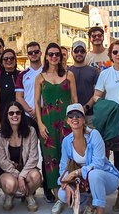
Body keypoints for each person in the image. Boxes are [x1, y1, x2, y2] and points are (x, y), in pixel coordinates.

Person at [34, 42, 78, 213]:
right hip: (48, 121)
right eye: (51, 54)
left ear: (61, 57)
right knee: (50, 159)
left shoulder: (69, 75)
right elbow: (37, 103)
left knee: (68, 158)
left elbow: (74, 99)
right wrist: (39, 123)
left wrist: (76, 122)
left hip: (67, 121)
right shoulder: (40, 77)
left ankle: (71, 191)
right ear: (46, 56)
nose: (54, 57)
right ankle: (58, 196)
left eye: (57, 54)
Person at [91, 39, 119, 211]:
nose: (118, 55)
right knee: (106, 155)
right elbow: (96, 96)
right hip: (111, 120)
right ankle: (101, 190)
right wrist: (111, 108)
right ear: (110, 55)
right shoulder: (105, 74)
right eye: (114, 52)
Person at [57, 104, 119, 214]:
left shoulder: (94, 135)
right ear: (67, 121)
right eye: (71, 116)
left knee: (93, 174)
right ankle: (88, 202)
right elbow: (63, 168)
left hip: (105, 178)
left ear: (84, 119)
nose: (74, 118)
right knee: (62, 194)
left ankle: (100, 210)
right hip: (83, 183)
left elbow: (98, 164)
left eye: (78, 115)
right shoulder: (66, 141)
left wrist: (76, 172)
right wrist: (66, 184)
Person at [0, 101, 42, 211]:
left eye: (18, 113)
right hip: (7, 170)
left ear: (22, 114)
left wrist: (22, 176)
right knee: (11, 185)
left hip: (27, 169)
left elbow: (34, 157)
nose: (14, 115)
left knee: (36, 177)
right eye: (11, 113)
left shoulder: (31, 131)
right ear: (6, 116)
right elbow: (2, 160)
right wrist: (17, 175)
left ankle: (28, 195)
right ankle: (10, 195)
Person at [68, 41, 99, 127]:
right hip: (71, 115)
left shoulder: (94, 71)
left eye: (82, 51)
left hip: (90, 115)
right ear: (71, 52)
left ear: (86, 52)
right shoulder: (66, 72)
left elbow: (97, 93)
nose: (79, 53)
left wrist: (86, 107)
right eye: (76, 51)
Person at [15, 41, 44, 129]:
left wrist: (39, 110)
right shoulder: (22, 74)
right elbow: (19, 97)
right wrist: (31, 111)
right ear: (27, 55)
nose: (33, 54)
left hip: (45, 114)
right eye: (30, 53)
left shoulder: (47, 72)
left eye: (36, 52)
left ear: (41, 53)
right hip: (28, 116)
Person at [0, 48, 20, 131]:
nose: (9, 60)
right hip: (5, 119)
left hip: (21, 118)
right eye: (5, 59)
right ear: (1, 62)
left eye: (12, 58)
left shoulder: (22, 76)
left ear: (15, 60)